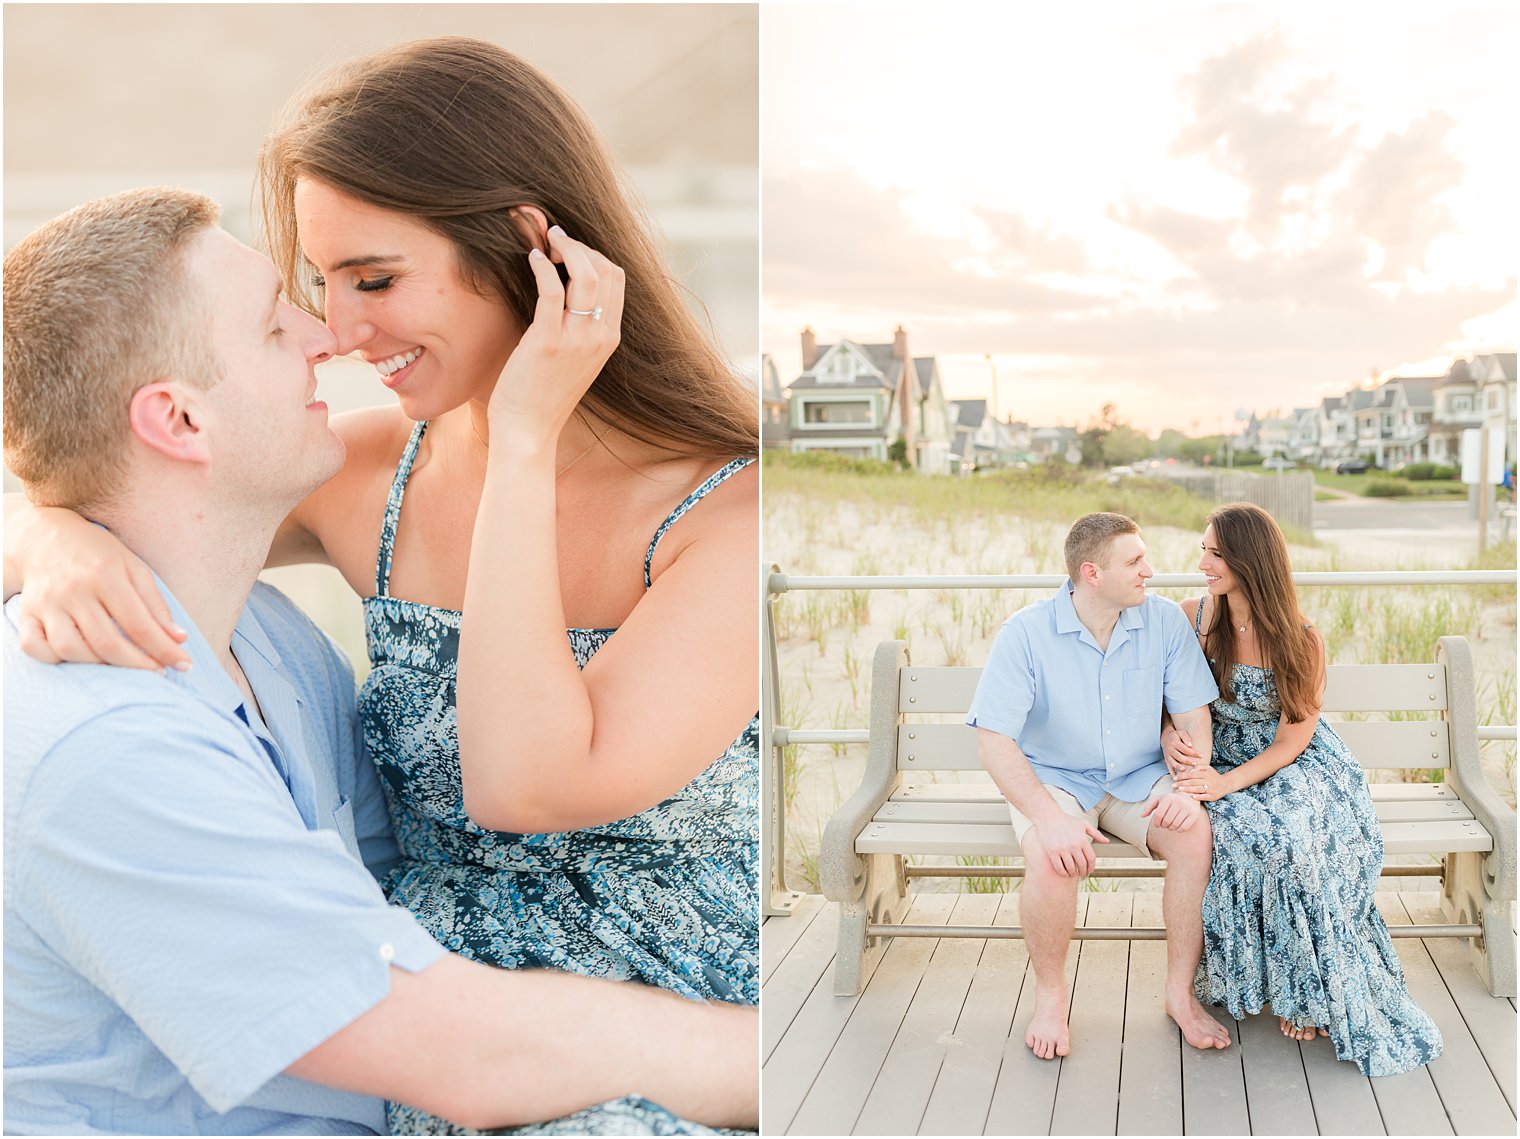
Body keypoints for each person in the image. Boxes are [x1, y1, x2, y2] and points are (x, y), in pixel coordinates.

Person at [5, 37, 759, 1134]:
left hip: (665, 1025)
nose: (339, 334)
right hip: (437, 1035)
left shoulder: (726, 514)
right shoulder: (360, 474)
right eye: (316, 286)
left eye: (375, 278)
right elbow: (137, 485)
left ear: (529, 252)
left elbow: (526, 782)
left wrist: (524, 440)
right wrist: (53, 537)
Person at [1166, 502, 1443, 1076]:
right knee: (1237, 836)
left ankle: (1310, 990)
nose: (1202, 563)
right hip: (1216, 754)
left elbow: (1292, 740)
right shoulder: (1190, 618)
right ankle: (1257, 975)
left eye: (1214, 553)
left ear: (1250, 560)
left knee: (1295, 842)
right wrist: (1174, 738)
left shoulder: (1300, 639)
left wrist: (1226, 782)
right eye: (1204, 549)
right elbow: (1165, 701)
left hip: (1293, 765)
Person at [966, 512, 1231, 1060]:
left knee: (1193, 833)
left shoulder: (1163, 622)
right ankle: (1050, 997)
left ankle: (1180, 995)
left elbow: (1192, 717)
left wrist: (1186, 787)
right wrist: (1049, 817)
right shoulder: (1027, 632)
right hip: (1056, 780)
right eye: (1135, 563)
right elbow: (995, 740)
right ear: (1092, 573)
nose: (1150, 572)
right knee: (1051, 853)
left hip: (1139, 777)